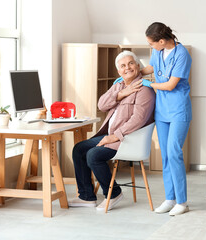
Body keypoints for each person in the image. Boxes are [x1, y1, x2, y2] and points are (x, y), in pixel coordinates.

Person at [69, 51, 155, 211]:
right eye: (123, 66)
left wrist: (114, 137)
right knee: (79, 149)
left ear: (138, 66)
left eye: (130, 63)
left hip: (127, 140)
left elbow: (138, 120)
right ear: (118, 71)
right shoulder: (118, 85)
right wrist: (121, 93)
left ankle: (114, 193)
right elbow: (102, 105)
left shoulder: (145, 90)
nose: (127, 68)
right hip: (110, 135)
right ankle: (86, 196)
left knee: (93, 155)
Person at [141, 22, 192, 216]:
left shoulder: (182, 55)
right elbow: (151, 68)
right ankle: (170, 199)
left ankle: (182, 201)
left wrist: (149, 84)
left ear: (161, 41)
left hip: (178, 110)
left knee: (173, 153)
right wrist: (131, 72)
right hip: (161, 111)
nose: (151, 47)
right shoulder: (158, 52)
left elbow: (170, 85)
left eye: (152, 44)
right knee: (165, 157)